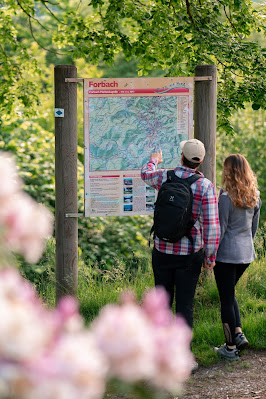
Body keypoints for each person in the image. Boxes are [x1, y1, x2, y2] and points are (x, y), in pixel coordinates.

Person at [141, 139, 220, 332]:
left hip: (162, 249)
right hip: (190, 254)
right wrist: (210, 257)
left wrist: (154, 160)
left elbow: (145, 174)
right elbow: (211, 226)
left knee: (162, 306)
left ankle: (161, 356)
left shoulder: (164, 177)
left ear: (181, 157)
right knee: (185, 306)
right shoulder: (205, 186)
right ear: (200, 162)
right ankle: (183, 356)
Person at [214, 154, 261, 361]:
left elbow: (221, 228)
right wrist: (246, 245)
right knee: (229, 292)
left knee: (225, 299)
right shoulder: (254, 195)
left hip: (226, 255)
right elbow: (254, 228)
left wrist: (210, 253)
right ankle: (239, 334)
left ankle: (230, 347)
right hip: (245, 254)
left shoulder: (225, 197)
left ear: (229, 171)